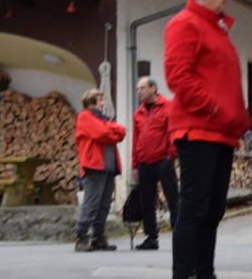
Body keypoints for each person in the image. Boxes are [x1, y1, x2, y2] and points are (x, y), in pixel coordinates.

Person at [164, 0, 251, 279]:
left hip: (220, 133)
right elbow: (178, 78)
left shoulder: (217, 28)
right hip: (198, 129)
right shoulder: (184, 24)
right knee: (194, 209)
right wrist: (217, 110)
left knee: (213, 211)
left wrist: (236, 120)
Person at [74, 88, 127, 252]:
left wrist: (112, 130)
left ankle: (98, 237)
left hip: (108, 167)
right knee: (91, 203)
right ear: (93, 102)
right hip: (94, 166)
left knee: (104, 204)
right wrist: (113, 131)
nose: (104, 103)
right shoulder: (84, 117)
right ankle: (81, 237)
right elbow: (103, 133)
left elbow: (122, 131)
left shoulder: (102, 119)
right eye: (101, 100)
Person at [131, 76, 178, 250]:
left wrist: (171, 155)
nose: (139, 92)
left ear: (153, 89)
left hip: (163, 160)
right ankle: (151, 237)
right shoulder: (138, 113)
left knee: (172, 198)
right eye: (137, 89)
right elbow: (136, 139)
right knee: (146, 201)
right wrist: (135, 164)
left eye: (142, 88)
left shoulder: (168, 106)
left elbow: (173, 130)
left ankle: (178, 235)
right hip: (144, 162)